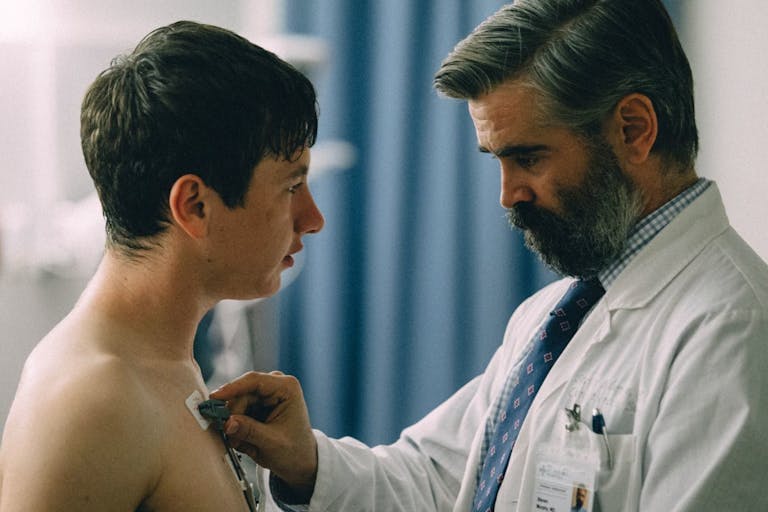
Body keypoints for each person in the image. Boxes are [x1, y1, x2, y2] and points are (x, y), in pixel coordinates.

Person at [209, 1, 768, 511]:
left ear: (634, 129)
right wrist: (304, 461)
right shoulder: (552, 317)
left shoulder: (731, 330)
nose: (509, 195)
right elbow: (437, 478)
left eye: (528, 156)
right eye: (497, 160)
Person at [0, 20, 324, 511]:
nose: (314, 219)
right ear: (194, 205)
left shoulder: (165, 363)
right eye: (291, 187)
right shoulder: (92, 398)